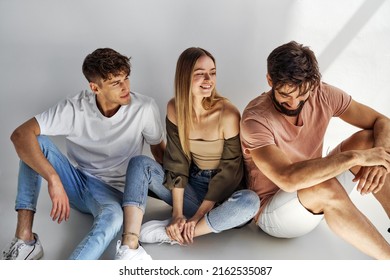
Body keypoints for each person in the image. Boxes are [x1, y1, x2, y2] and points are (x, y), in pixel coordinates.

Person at [2, 48, 165, 260]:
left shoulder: (144, 108)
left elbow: (159, 153)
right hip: (77, 183)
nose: (126, 87)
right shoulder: (74, 108)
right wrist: (53, 179)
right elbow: (20, 135)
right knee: (33, 142)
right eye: (116, 83)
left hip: (114, 192)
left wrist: (180, 197)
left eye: (126, 78)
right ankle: (25, 241)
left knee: (114, 218)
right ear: (94, 87)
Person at [240, 41, 390, 259]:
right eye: (285, 95)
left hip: (315, 193)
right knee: (325, 182)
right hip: (274, 212)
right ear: (270, 81)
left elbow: (381, 121)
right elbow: (287, 179)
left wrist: (379, 159)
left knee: (371, 140)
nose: (293, 103)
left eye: (302, 95)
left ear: (314, 83)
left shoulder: (323, 93)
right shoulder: (255, 119)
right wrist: (355, 158)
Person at [118, 47, 259, 250]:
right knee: (140, 163)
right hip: (192, 187)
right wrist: (177, 214)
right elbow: (177, 162)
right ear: (185, 77)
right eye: (200, 74)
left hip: (224, 197)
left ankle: (176, 234)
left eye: (212, 73)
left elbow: (230, 173)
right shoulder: (174, 108)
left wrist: (197, 216)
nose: (208, 79)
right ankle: (129, 242)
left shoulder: (228, 114)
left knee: (250, 202)